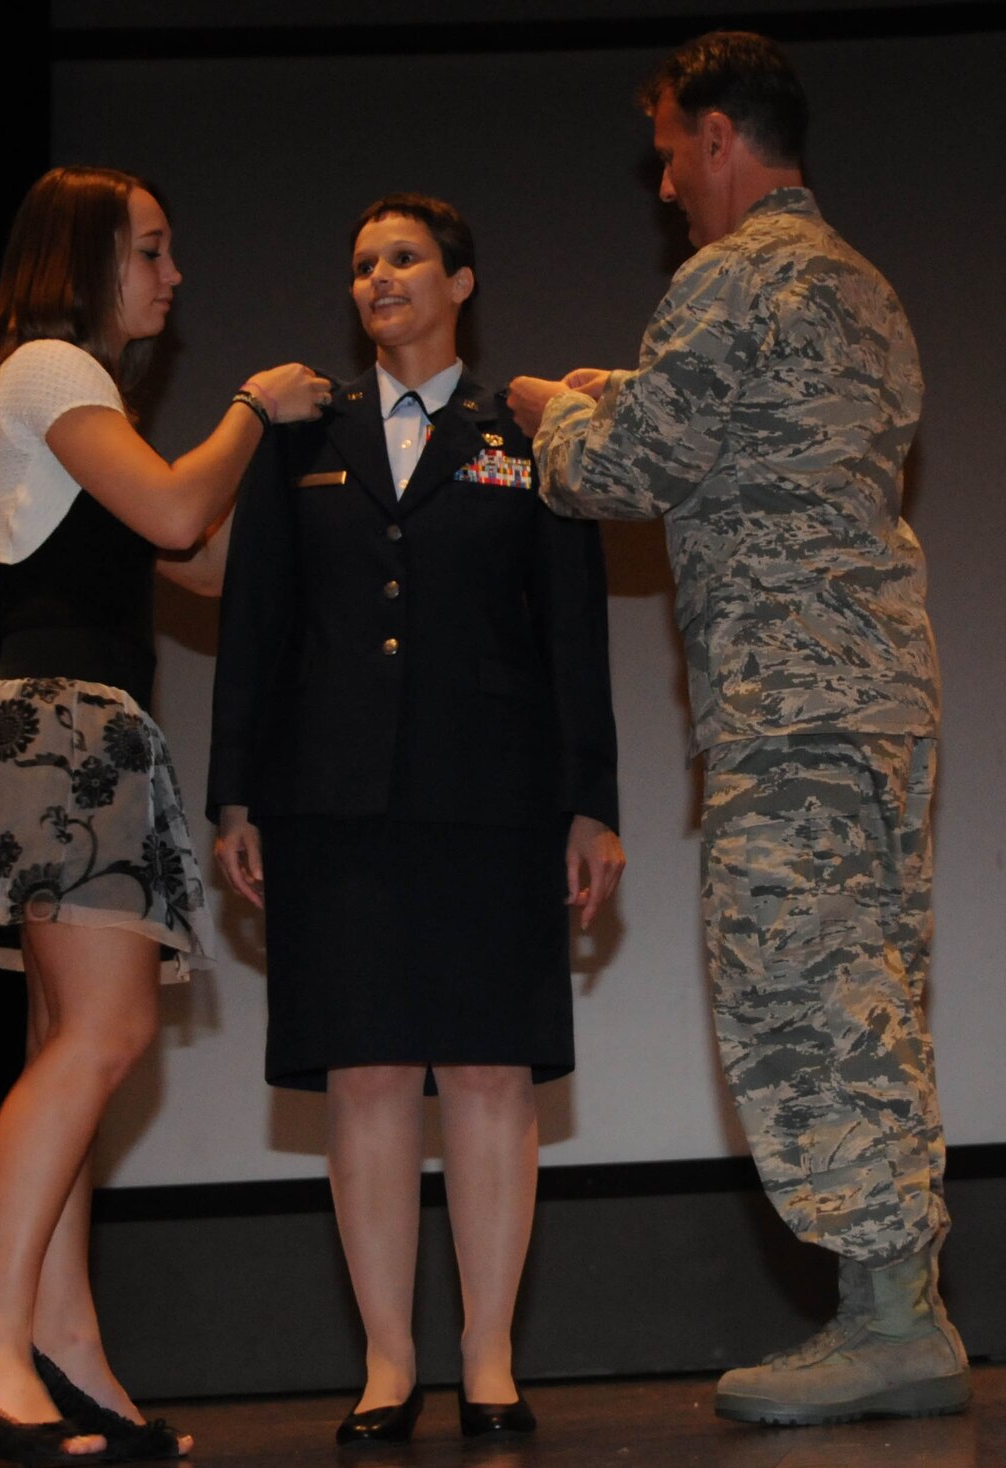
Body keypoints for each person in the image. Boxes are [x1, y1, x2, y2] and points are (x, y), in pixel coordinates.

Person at [507, 32, 967, 1427]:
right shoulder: (866, 291)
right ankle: (900, 1309)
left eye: (667, 150)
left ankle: (889, 1321)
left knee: (805, 998)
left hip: (794, 710)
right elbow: (746, 443)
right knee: (872, 995)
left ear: (719, 135)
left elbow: (630, 466)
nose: (663, 185)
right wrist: (628, 401)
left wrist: (554, 418)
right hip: (882, 704)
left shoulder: (731, 278)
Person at [0, 164, 329, 1466]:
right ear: (85, 259)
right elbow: (185, 506)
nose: (173, 276)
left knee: (68, 1050)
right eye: (151, 250)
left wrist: (347, 512)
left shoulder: (83, 402)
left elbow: (199, 564)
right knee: (106, 1034)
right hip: (60, 734)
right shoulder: (48, 370)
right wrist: (255, 407)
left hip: (77, 733)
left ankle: (63, 1345)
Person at [208, 193, 623, 1445]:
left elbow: (573, 634)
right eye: (359, 266)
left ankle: (486, 1359)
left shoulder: (523, 434)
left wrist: (590, 803)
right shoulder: (300, 437)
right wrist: (236, 786)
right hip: (330, 799)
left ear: (461, 281)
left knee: (493, 1072)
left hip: (494, 799)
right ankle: (387, 1367)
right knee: (369, 1073)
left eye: (401, 259)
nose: (377, 279)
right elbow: (256, 628)